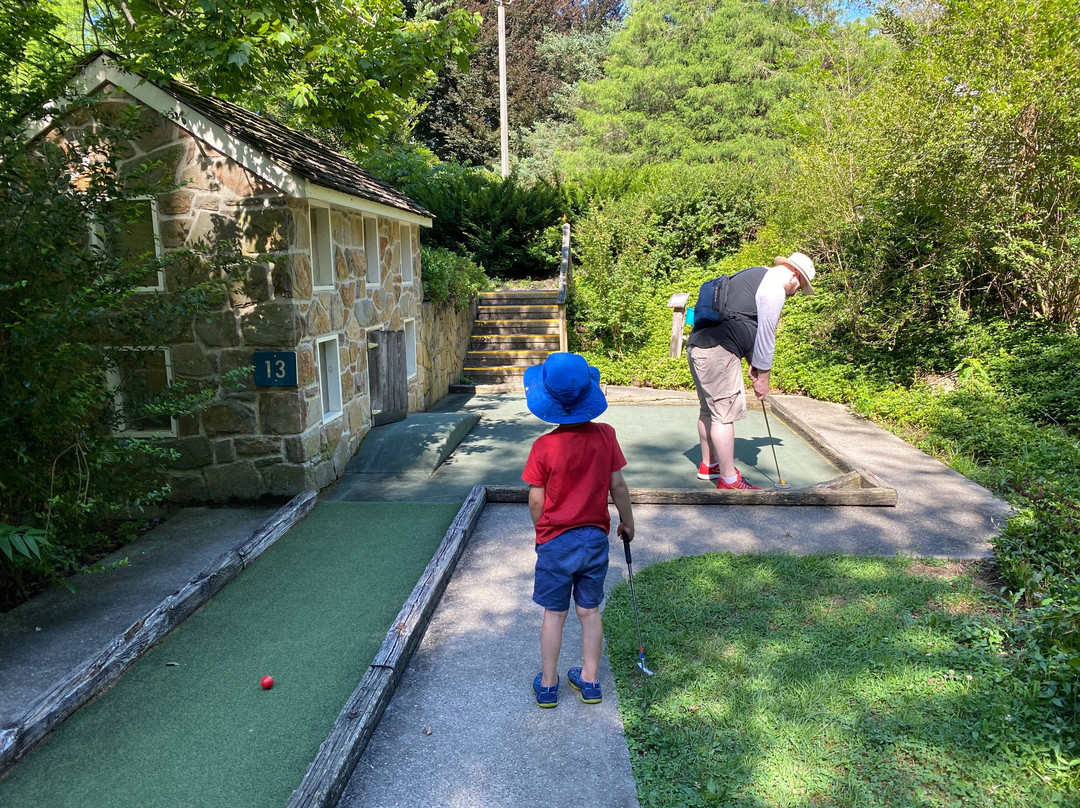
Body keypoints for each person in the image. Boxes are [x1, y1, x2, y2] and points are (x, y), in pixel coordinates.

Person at [521, 352, 635, 708]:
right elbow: (618, 487)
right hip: (594, 539)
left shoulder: (543, 447)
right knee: (589, 611)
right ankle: (589, 681)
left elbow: (536, 501)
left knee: (555, 613)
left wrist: (542, 531)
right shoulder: (606, 436)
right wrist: (627, 522)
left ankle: (549, 684)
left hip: (556, 541)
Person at [686, 252, 816, 489]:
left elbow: (741, 321)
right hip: (718, 351)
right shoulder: (774, 289)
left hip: (699, 346)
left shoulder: (754, 274)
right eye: (801, 287)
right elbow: (766, 335)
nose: (797, 292)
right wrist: (763, 378)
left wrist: (752, 364)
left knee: (709, 410)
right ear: (795, 275)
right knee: (724, 416)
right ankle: (728, 479)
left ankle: (709, 465)